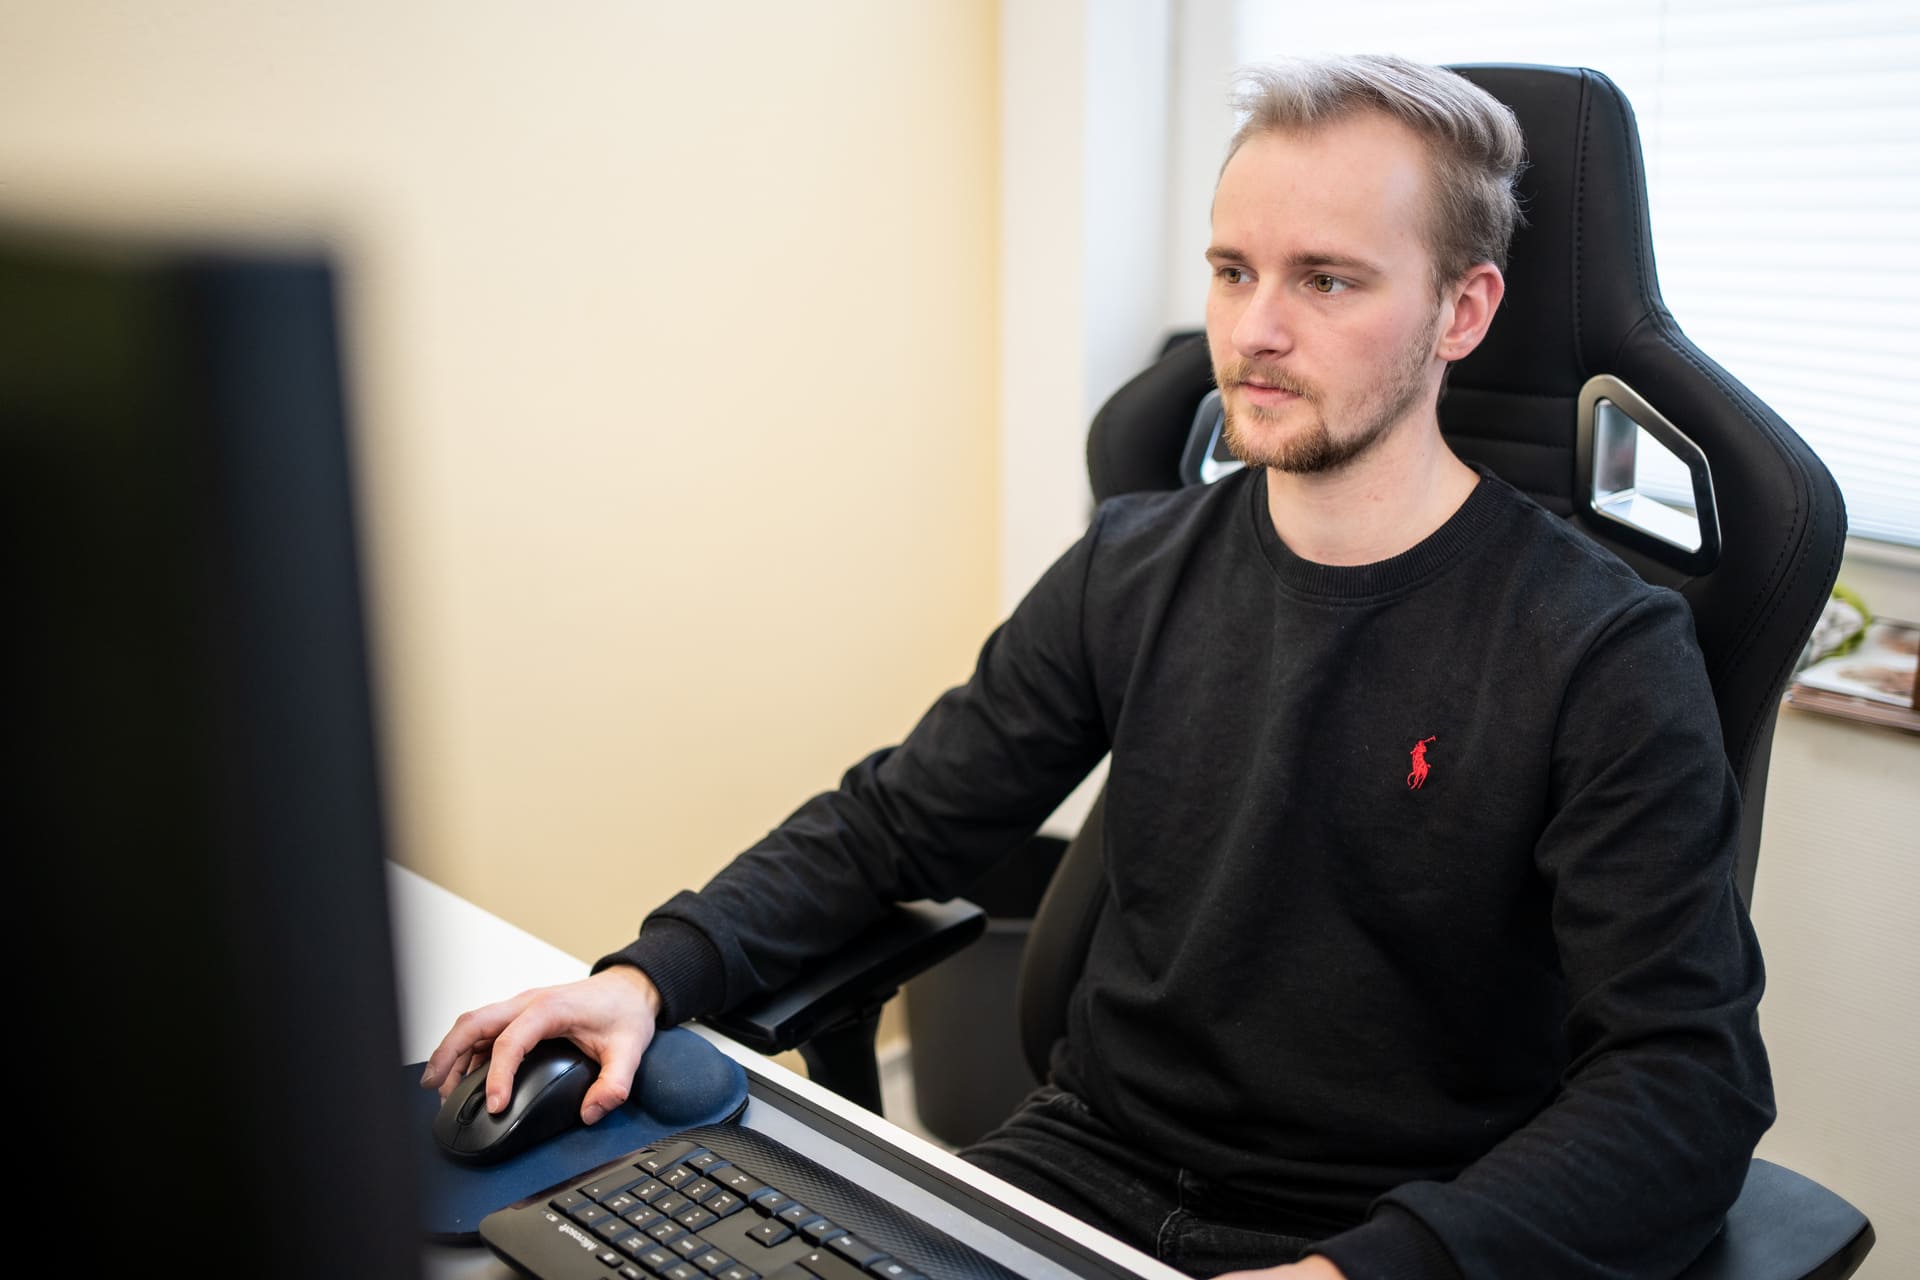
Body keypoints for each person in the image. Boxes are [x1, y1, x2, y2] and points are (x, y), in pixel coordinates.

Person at [422, 53, 1773, 1280]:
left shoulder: (1597, 646)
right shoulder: (1138, 562)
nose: (1254, 331)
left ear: (1463, 311)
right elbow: (900, 822)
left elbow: (1684, 1080)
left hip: (1376, 1231)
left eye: (1327, 279)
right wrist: (653, 974)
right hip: (1076, 1180)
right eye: (1233, 271)